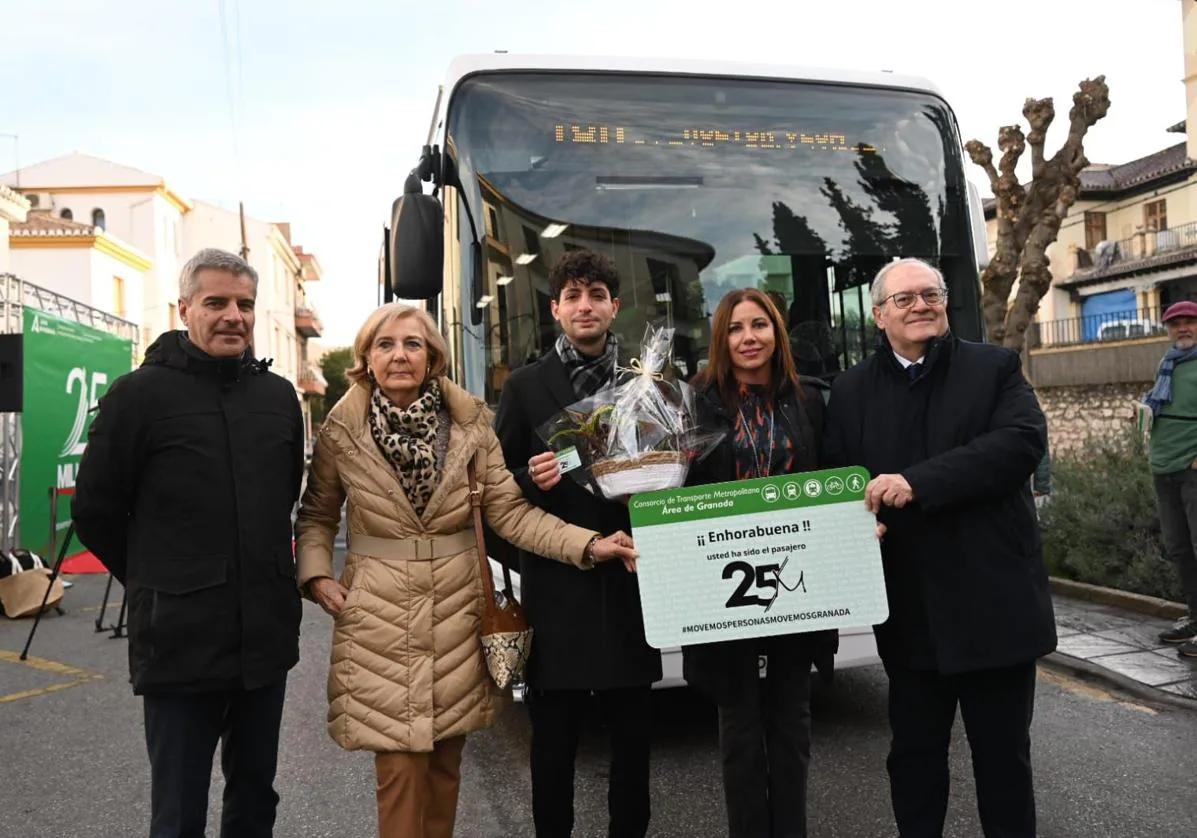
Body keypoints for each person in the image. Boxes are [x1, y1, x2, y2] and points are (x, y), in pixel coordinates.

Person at [295, 302, 637, 838]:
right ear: (366, 357)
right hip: (378, 614)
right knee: (400, 770)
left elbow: (511, 513)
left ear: (433, 356)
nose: (399, 355)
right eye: (385, 345)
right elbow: (316, 514)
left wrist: (590, 545)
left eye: (412, 344)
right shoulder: (342, 429)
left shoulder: (471, 422)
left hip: (458, 610)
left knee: (444, 764)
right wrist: (317, 577)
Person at [72, 248, 305, 838]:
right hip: (179, 641)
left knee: (255, 799)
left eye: (245, 304)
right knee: (178, 812)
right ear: (184, 309)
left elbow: (283, 498)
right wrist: (157, 580)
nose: (234, 316)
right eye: (216, 302)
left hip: (263, 643)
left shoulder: (279, 399)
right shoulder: (138, 397)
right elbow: (95, 510)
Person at [824, 258, 1055, 838]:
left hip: (995, 609)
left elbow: (1021, 443)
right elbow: (836, 483)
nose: (920, 305)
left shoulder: (994, 367)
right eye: (903, 299)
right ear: (879, 316)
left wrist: (917, 483)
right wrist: (854, 527)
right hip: (910, 612)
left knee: (1004, 762)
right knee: (915, 761)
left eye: (930, 294)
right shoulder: (850, 392)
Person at [493, 249, 661, 838]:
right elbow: (494, 494)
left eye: (596, 296)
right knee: (554, 745)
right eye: (572, 296)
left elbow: (674, 474)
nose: (584, 306)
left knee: (633, 743)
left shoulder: (646, 384)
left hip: (632, 586)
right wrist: (525, 480)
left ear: (615, 307)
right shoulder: (524, 388)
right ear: (555, 309)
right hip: (556, 591)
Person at [683, 288, 835, 838]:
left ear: (778, 334)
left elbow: (833, 479)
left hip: (797, 586)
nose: (749, 338)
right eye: (735, 328)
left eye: (760, 325)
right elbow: (679, 489)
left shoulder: (810, 401)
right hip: (724, 587)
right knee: (740, 730)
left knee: (792, 727)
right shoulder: (694, 404)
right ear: (720, 339)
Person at [1144, 300, 1197, 657]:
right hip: (1164, 466)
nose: (1182, 328)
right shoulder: (1168, 362)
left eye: (1190, 321)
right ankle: (1195, 617)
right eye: (1175, 323)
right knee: (1180, 548)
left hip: (1191, 467)